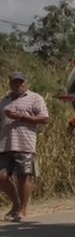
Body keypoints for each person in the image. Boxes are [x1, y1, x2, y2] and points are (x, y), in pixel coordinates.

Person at [0, 73, 49, 222]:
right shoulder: (4, 101)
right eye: (15, 82)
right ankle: (16, 204)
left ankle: (22, 210)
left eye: (20, 82)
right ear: (10, 83)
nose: (18, 85)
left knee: (23, 177)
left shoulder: (35, 98)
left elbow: (44, 118)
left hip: (25, 143)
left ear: (26, 83)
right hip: (4, 144)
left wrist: (20, 117)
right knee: (1, 177)